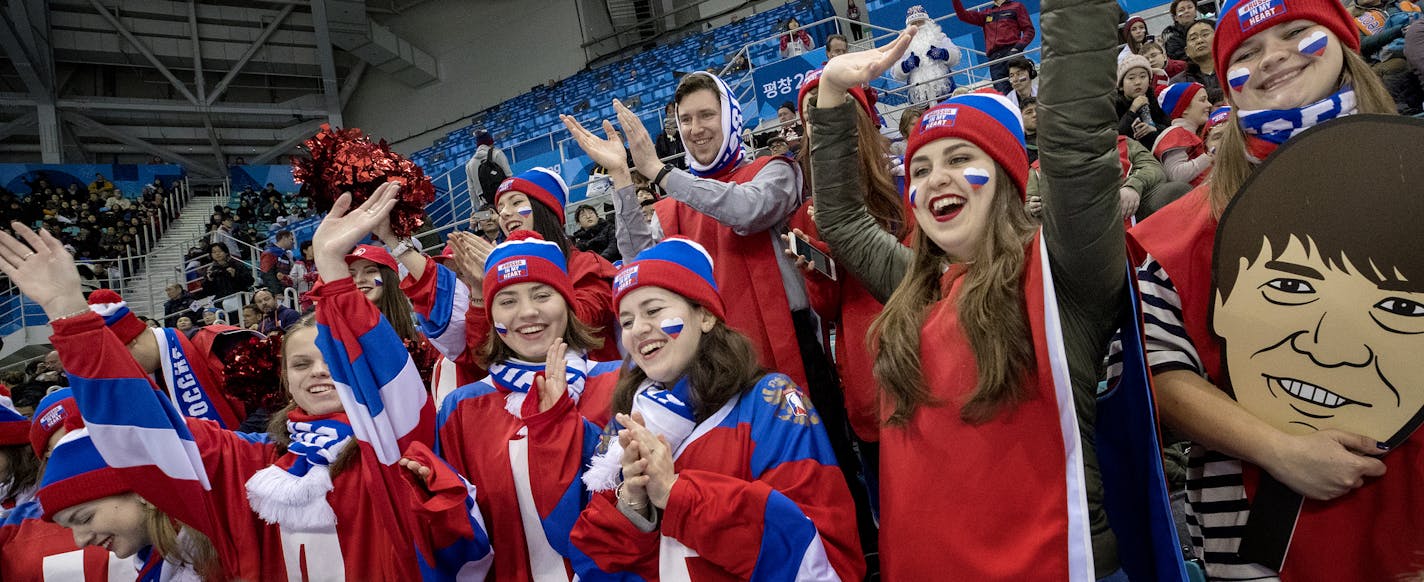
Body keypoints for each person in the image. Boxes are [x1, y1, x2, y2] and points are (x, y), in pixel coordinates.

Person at [0, 186, 494, 580]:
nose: (318, 371)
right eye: (300, 365)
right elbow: (142, 430)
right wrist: (68, 311)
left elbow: (392, 396)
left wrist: (332, 272)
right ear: (284, 379)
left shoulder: (390, 454)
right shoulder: (252, 468)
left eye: (331, 359)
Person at [809, 7, 1131, 578]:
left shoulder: (1062, 279)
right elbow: (839, 219)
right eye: (923, 167)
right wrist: (831, 91)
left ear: (1007, 177)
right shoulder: (918, 288)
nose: (936, 179)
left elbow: (1078, 148)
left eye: (960, 159)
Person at [1126, 0, 1400, 576]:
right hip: (1255, 531)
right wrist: (1281, 452)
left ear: (1344, 41)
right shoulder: (1180, 230)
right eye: (1246, 54)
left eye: (1297, 33)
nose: (1273, 57)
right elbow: (1163, 375)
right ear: (1227, 83)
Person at [1204, 115, 1424, 580]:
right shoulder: (1180, 240)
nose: (1329, 348)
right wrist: (1277, 450)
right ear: (1220, 300)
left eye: (1401, 309)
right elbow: (1157, 375)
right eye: (1289, 285)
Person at [571, 238, 865, 580]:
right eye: (626, 320)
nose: (638, 329)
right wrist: (631, 509)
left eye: (653, 310)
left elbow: (817, 554)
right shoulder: (628, 423)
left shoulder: (771, 401)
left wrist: (676, 494)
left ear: (706, 315)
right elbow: (594, 566)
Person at [435, 231, 622, 580]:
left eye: (542, 295)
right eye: (507, 301)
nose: (528, 312)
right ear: (491, 315)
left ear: (567, 303)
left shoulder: (619, 383)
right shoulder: (461, 408)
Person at [1, 389, 146, 581]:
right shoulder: (17, 525)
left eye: (88, 433)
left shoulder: (176, 495)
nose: (81, 539)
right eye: (62, 445)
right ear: (46, 458)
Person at [86, 289, 252, 429]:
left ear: (132, 343)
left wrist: (235, 443)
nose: (127, 371)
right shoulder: (154, 379)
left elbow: (271, 403)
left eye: (123, 362)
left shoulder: (220, 342)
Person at [951, 0, 1036, 93]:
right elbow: (963, 15)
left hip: (1013, 54)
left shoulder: (1017, 6)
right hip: (995, 61)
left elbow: (1029, 30)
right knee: (1003, 97)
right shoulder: (987, 13)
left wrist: (1017, 48)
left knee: (1023, 91)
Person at [893, 6, 962, 103]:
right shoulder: (903, 44)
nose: (918, 25)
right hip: (919, 99)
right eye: (914, 23)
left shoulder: (939, 37)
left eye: (920, 21)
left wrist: (944, 53)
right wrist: (905, 66)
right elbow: (895, 72)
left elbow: (957, 55)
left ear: (927, 22)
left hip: (945, 93)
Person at [1152, 82, 1214, 185]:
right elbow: (1176, 175)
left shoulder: (1192, 133)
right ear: (1184, 109)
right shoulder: (1175, 133)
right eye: (1202, 100)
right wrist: (1211, 156)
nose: (1209, 104)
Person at [1116, 54, 1171, 148]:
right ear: (1121, 86)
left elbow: (1169, 128)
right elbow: (1116, 135)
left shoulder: (1154, 98)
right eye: (1131, 78)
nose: (1138, 82)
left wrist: (1153, 128)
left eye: (1142, 76)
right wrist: (1132, 110)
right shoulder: (1115, 103)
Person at [1170, 19, 1223, 103]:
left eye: (1205, 34)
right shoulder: (1179, 83)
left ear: (1219, 39)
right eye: (1193, 38)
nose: (1199, 41)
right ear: (1187, 51)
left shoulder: (1234, 68)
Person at [465, 129, 512, 209]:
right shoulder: (497, 154)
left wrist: (478, 208)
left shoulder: (469, 165)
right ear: (491, 142)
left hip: (485, 204)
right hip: (503, 199)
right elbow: (509, 177)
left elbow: (472, 191)